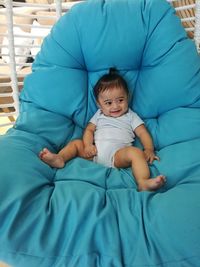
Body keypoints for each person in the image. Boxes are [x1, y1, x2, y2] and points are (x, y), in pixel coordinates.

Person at [39, 69, 166, 191]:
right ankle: (60, 158)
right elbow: (89, 130)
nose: (115, 106)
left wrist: (149, 149)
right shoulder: (99, 115)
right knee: (76, 144)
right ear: (99, 104)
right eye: (108, 103)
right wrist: (88, 145)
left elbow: (143, 133)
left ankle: (143, 182)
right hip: (95, 153)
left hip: (117, 156)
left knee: (135, 153)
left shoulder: (131, 116)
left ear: (128, 97)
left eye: (120, 100)